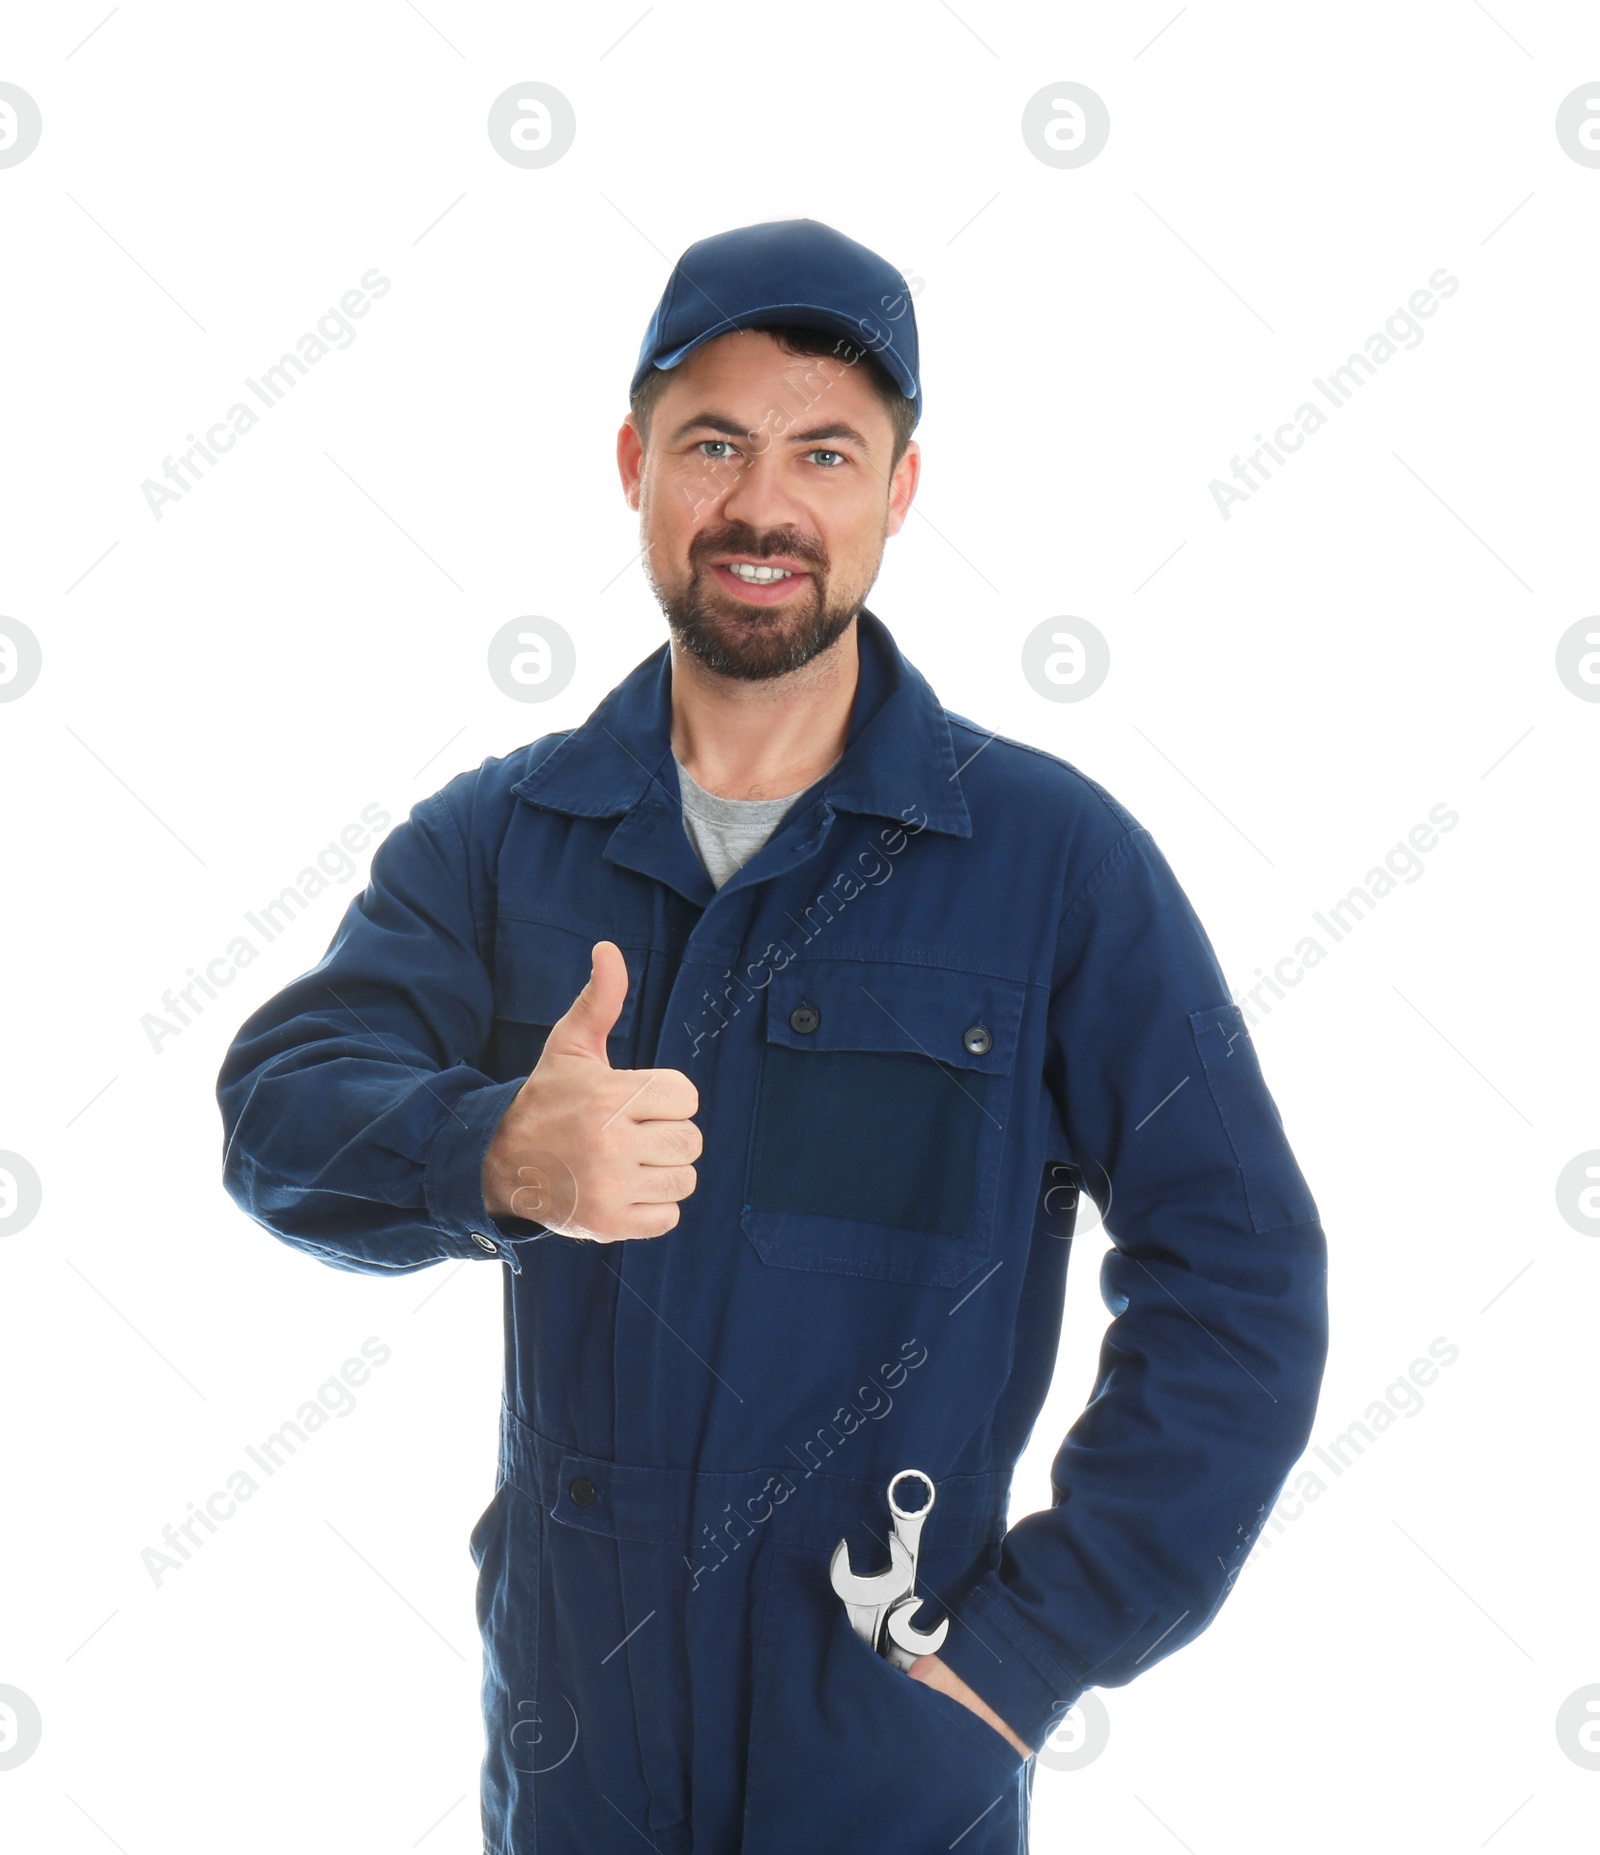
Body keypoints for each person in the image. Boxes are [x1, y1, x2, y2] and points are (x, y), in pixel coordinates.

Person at [216, 217, 1328, 1855]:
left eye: (825, 451)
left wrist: (1035, 1646)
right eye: (714, 443)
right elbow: (278, 1116)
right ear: (635, 466)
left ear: (899, 490)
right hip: (575, 1758)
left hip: (889, 1766)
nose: (763, 504)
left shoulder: (1052, 864)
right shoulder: (499, 840)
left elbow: (1240, 1278)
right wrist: (494, 1151)